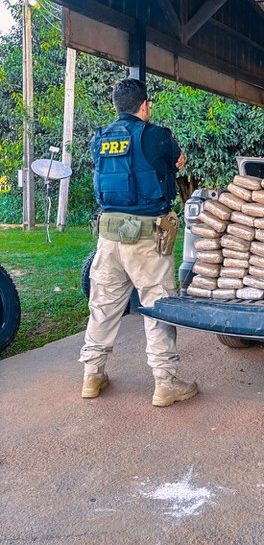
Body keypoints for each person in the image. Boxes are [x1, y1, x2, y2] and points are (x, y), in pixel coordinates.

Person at [79, 78, 198, 407]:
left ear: (116, 106)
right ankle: (165, 383)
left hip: (108, 235)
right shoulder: (157, 135)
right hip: (146, 237)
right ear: (144, 105)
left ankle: (92, 375)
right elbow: (176, 160)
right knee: (158, 305)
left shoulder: (99, 139)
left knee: (103, 306)